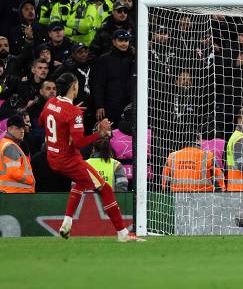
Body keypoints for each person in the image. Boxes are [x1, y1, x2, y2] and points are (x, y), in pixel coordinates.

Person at [41, 72, 142, 241]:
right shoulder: (73, 112)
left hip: (53, 157)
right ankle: (123, 233)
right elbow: (80, 143)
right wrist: (99, 133)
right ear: (74, 87)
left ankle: (66, 223)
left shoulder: (50, 103)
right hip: (69, 160)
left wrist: (65, 122)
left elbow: (41, 122)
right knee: (106, 189)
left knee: (81, 183)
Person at [0, 115, 35, 193]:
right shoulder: (11, 146)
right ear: (9, 129)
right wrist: (30, 180)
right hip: (16, 193)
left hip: (10, 192)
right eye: (18, 128)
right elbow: (13, 171)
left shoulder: (5, 143)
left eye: (23, 128)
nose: (22, 131)